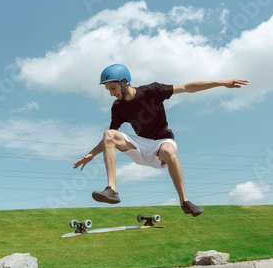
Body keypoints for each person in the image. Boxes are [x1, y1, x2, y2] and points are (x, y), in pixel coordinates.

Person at [73, 64, 249, 217]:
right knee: (109, 134)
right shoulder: (118, 107)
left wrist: (222, 82)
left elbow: (187, 87)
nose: (111, 93)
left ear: (124, 82)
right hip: (141, 147)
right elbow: (109, 138)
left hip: (162, 142)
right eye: (108, 90)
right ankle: (112, 190)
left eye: (113, 88)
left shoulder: (153, 91)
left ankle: (185, 202)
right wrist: (91, 154)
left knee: (168, 151)